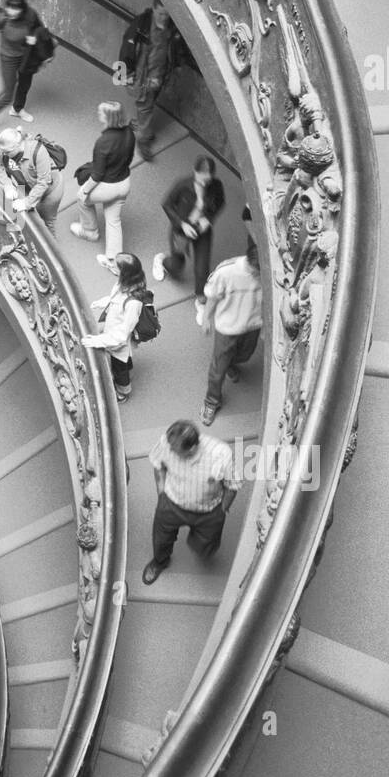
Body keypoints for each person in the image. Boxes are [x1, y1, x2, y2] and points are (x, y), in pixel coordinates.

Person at [142, 419, 238, 585]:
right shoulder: (167, 442)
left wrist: (223, 509)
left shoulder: (221, 454)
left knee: (206, 545)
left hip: (208, 511)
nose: (170, 449)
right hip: (171, 504)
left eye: (175, 449)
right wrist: (161, 492)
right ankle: (160, 561)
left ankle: (200, 547)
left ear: (192, 448)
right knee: (161, 538)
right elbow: (158, 464)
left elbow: (232, 485)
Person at [199, 242, 263, 424]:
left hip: (252, 325)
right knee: (218, 368)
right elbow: (212, 296)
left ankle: (231, 364)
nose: (258, 276)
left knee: (245, 355)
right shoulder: (227, 272)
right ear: (250, 263)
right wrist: (206, 318)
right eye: (256, 272)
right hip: (227, 328)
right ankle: (211, 401)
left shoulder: (266, 273)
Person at [153, 154, 225, 306]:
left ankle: (201, 298)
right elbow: (167, 204)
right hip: (181, 230)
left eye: (208, 179)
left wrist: (208, 219)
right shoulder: (183, 185)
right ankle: (163, 261)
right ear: (195, 172)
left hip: (202, 229)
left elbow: (220, 203)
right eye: (202, 178)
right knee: (177, 266)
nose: (205, 183)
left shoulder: (216, 185)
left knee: (202, 268)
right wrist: (182, 224)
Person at [70, 101, 136, 267]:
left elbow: (97, 174)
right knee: (114, 220)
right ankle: (113, 260)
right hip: (124, 183)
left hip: (108, 186)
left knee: (82, 199)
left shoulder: (103, 141)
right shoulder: (129, 132)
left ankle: (89, 231)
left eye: (101, 113)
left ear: (109, 117)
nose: (99, 115)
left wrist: (84, 191)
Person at [80, 253, 148, 402]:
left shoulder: (133, 303)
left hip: (118, 341)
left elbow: (122, 335)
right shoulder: (122, 285)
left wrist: (99, 341)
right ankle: (129, 372)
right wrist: (103, 302)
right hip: (113, 330)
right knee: (124, 362)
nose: (112, 267)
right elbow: (115, 299)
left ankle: (123, 391)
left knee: (119, 367)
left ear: (125, 273)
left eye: (115, 267)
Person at [120, 0, 176, 160]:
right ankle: (143, 139)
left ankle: (141, 127)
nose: (163, 19)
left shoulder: (171, 29)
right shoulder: (141, 26)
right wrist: (125, 75)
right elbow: (127, 50)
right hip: (143, 76)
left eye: (166, 15)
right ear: (154, 9)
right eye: (160, 14)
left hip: (160, 75)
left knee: (147, 104)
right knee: (145, 106)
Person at [0, 127, 64, 236]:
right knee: (31, 216)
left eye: (7, 152)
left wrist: (26, 202)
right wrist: (7, 185)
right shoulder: (5, 148)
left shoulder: (38, 152)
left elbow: (44, 182)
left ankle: (51, 243)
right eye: (2, 151)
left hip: (50, 191)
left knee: (47, 220)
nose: (3, 154)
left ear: (16, 146)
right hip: (29, 186)